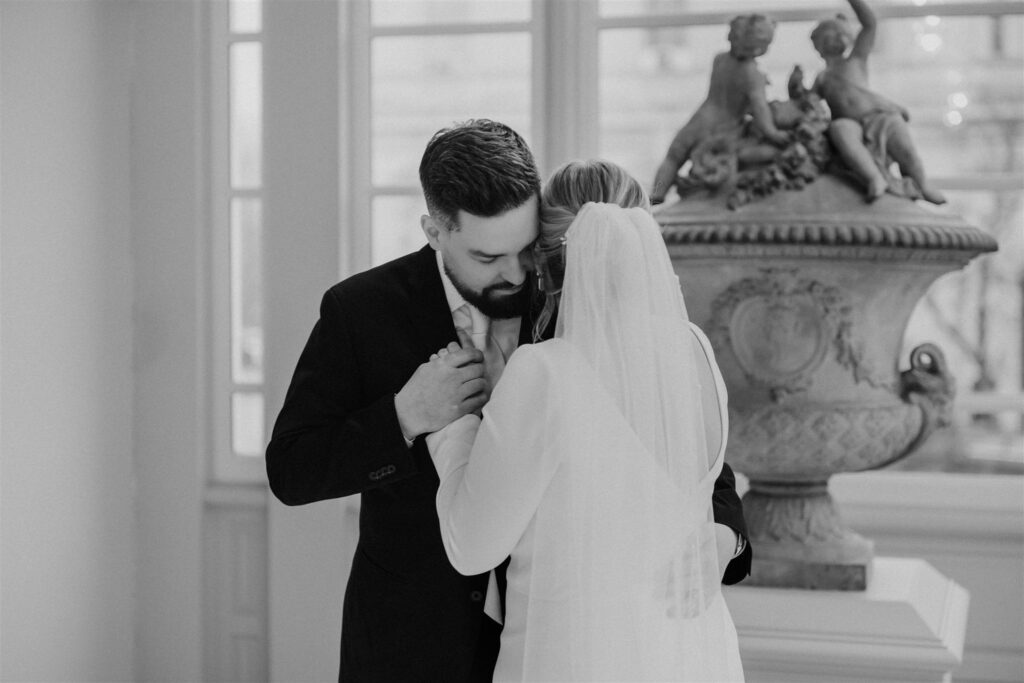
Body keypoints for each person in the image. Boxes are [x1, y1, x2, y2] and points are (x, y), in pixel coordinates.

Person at [266, 121, 749, 681]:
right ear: (434, 230)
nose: (517, 273)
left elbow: (675, 433)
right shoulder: (362, 311)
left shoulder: (576, 285)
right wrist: (405, 416)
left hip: (564, 643)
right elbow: (292, 469)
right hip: (414, 642)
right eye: (489, 256)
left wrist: (724, 533)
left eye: (526, 248)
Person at [427, 159, 746, 682]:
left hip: (572, 660)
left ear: (545, 261)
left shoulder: (545, 374)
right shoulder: (694, 350)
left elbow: (471, 546)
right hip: (687, 654)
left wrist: (453, 425)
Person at [809, 0, 946, 204]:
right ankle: (874, 177)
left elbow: (870, 24)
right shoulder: (822, 78)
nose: (835, 38)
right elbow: (808, 103)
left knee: (906, 151)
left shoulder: (856, 60)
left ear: (847, 38)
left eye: (839, 33)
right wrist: (796, 90)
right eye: (828, 35)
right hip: (850, 123)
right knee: (839, 130)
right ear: (818, 46)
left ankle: (922, 185)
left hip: (879, 116)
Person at [651, 14, 789, 204]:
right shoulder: (752, 74)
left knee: (674, 157)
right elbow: (760, 109)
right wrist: (773, 133)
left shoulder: (720, 59)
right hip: (724, 125)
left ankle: (655, 196)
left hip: (700, 117)